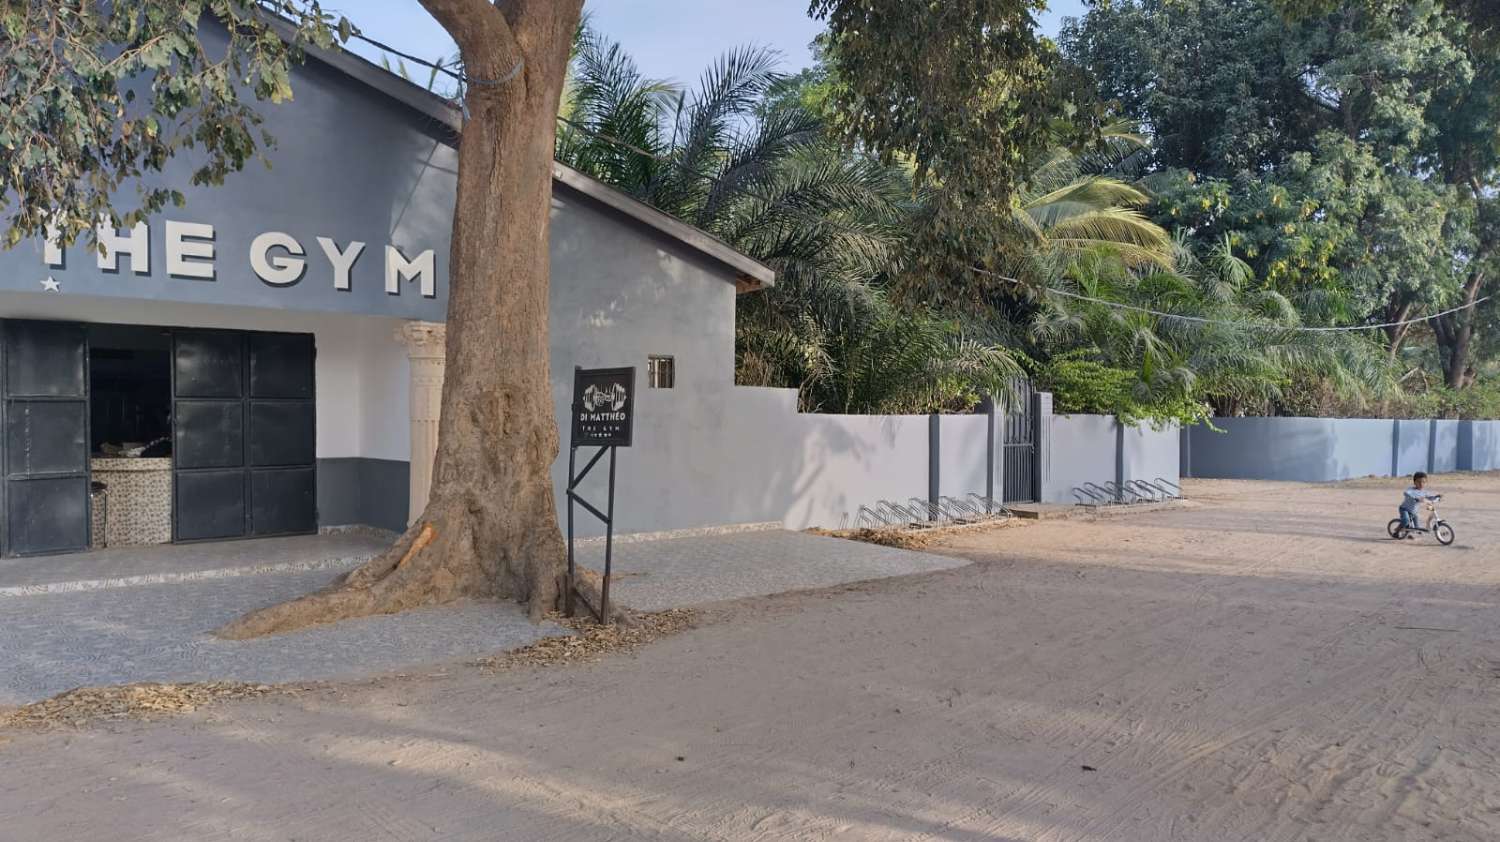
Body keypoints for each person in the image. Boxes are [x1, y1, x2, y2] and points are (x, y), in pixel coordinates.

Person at [1399, 472, 1440, 538]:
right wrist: (1415, 497)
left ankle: (1412, 534)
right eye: (1419, 482)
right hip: (1405, 509)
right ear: (1414, 482)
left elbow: (1430, 496)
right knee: (1406, 520)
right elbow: (1406, 493)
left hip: (1414, 511)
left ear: (1426, 482)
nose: (1421, 484)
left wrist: (1436, 497)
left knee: (1417, 527)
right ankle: (1397, 530)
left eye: (1423, 482)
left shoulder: (1424, 492)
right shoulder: (1411, 490)